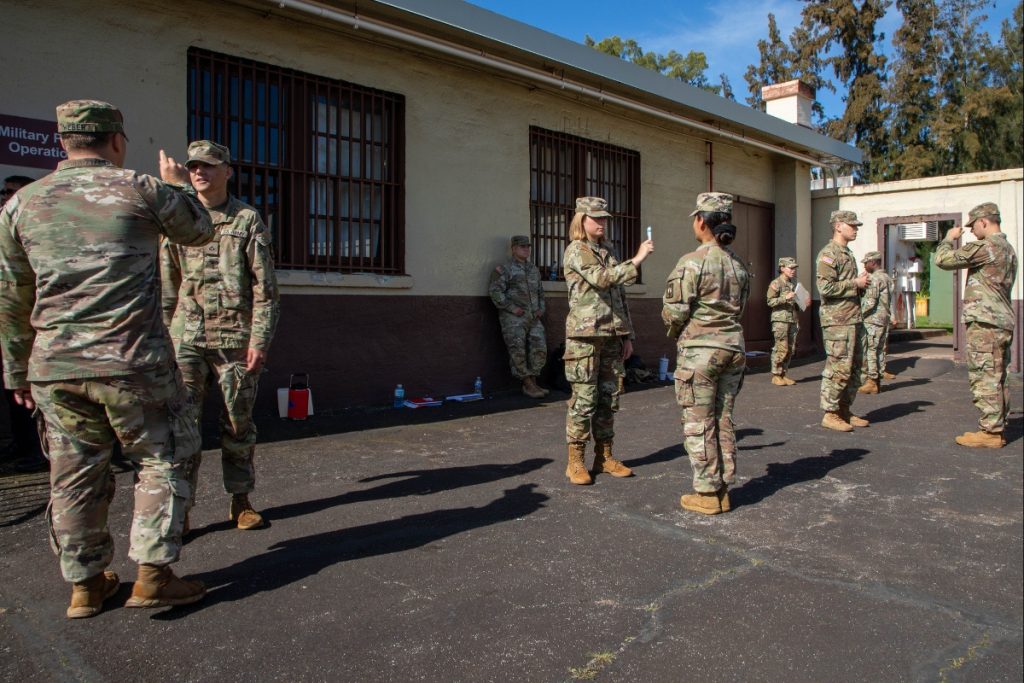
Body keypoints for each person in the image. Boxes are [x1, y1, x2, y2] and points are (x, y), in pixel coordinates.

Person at [0, 100, 213, 618]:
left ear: (63, 142)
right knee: (162, 459)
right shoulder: (140, 188)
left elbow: (11, 295)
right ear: (116, 141)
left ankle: (86, 586)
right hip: (133, 361)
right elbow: (199, 230)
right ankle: (154, 576)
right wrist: (182, 183)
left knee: (73, 472)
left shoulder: (21, 204)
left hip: (56, 367)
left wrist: (16, 369)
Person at [161, 140, 280, 530]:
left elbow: (265, 288)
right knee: (182, 427)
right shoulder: (178, 220)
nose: (200, 172)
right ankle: (183, 509)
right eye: (194, 166)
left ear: (228, 171)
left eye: (209, 166)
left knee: (238, 423)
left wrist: (259, 340)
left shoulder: (246, 219)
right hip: (187, 339)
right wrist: (163, 340)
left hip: (235, 340)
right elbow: (167, 285)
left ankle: (240, 500)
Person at [663, 193, 750, 515]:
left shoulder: (692, 262)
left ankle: (707, 491)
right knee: (723, 418)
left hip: (700, 352)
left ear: (701, 220)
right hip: (733, 348)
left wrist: (679, 335)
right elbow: (741, 307)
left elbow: (674, 313)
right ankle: (723, 488)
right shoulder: (738, 264)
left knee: (698, 422)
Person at [562, 196, 653, 485]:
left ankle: (604, 457)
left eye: (604, 219)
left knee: (608, 398)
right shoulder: (577, 250)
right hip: (585, 337)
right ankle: (575, 461)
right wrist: (637, 259)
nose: (602, 223)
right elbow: (602, 279)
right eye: (596, 218)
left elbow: (619, 296)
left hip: (612, 335)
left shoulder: (607, 251)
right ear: (582, 220)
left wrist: (627, 335)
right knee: (584, 400)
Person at [934, 203, 1018, 448]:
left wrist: (948, 239)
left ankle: (990, 432)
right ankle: (997, 425)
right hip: (1001, 320)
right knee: (999, 375)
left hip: (985, 321)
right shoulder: (1008, 249)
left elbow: (943, 260)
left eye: (973, 226)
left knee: (985, 375)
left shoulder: (987, 246)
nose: (971, 231)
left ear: (984, 221)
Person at [816, 210, 869, 432]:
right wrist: (855, 283)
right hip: (837, 321)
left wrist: (861, 285)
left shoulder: (847, 253)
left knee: (855, 367)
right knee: (839, 367)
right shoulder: (828, 254)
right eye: (852, 225)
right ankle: (830, 413)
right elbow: (825, 288)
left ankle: (844, 410)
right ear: (838, 226)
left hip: (852, 317)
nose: (855, 229)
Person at [488, 235, 549, 398]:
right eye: (522, 247)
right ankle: (527, 384)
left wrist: (540, 309)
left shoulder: (533, 269)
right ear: (514, 249)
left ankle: (534, 380)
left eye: (528, 246)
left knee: (540, 348)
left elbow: (540, 292)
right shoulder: (504, 269)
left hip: (533, 317)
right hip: (513, 319)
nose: (526, 249)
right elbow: (495, 292)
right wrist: (512, 309)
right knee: (518, 351)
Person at [858, 251, 894, 394]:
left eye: (866, 263)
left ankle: (871, 382)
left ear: (873, 262)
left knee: (871, 350)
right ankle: (877, 380)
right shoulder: (887, 277)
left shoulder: (875, 279)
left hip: (873, 319)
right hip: (883, 318)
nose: (865, 266)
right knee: (879, 350)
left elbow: (870, 302)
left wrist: (858, 314)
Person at [767, 256, 800, 386]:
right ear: (782, 268)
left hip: (791, 319)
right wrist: (785, 297)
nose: (793, 270)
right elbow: (770, 301)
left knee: (790, 348)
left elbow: (793, 304)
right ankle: (776, 375)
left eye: (794, 268)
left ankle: (783, 373)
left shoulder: (792, 284)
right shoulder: (776, 283)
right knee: (781, 348)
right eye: (790, 268)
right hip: (780, 320)